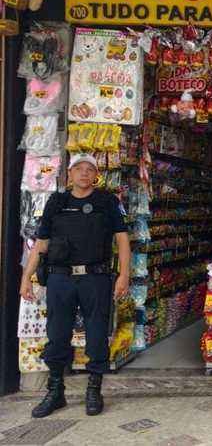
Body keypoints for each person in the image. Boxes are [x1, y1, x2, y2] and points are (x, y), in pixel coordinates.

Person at [20, 153, 131, 418]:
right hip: (60, 277)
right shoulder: (56, 202)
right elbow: (41, 243)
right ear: (69, 174)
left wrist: (124, 275)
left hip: (96, 277)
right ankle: (55, 391)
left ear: (96, 175)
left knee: (96, 333)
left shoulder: (107, 202)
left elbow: (123, 241)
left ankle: (94, 390)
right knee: (57, 333)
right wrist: (27, 276)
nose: (83, 173)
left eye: (89, 169)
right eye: (78, 168)